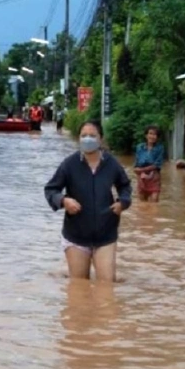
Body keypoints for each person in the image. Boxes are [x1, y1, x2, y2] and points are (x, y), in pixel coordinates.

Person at [44, 120, 133, 282]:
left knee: (107, 285)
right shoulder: (69, 164)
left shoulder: (111, 163)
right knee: (78, 286)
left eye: (92, 135)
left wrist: (123, 203)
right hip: (76, 234)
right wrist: (64, 201)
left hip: (106, 233)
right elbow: (51, 189)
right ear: (78, 138)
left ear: (101, 139)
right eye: (84, 135)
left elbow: (125, 186)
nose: (87, 139)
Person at [134, 125, 166, 202]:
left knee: (154, 206)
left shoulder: (160, 148)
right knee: (142, 207)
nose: (152, 136)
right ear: (146, 135)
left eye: (155, 134)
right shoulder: (139, 147)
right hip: (141, 179)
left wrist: (141, 170)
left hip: (154, 179)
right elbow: (136, 165)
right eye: (150, 133)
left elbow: (157, 165)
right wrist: (139, 179)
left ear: (157, 137)